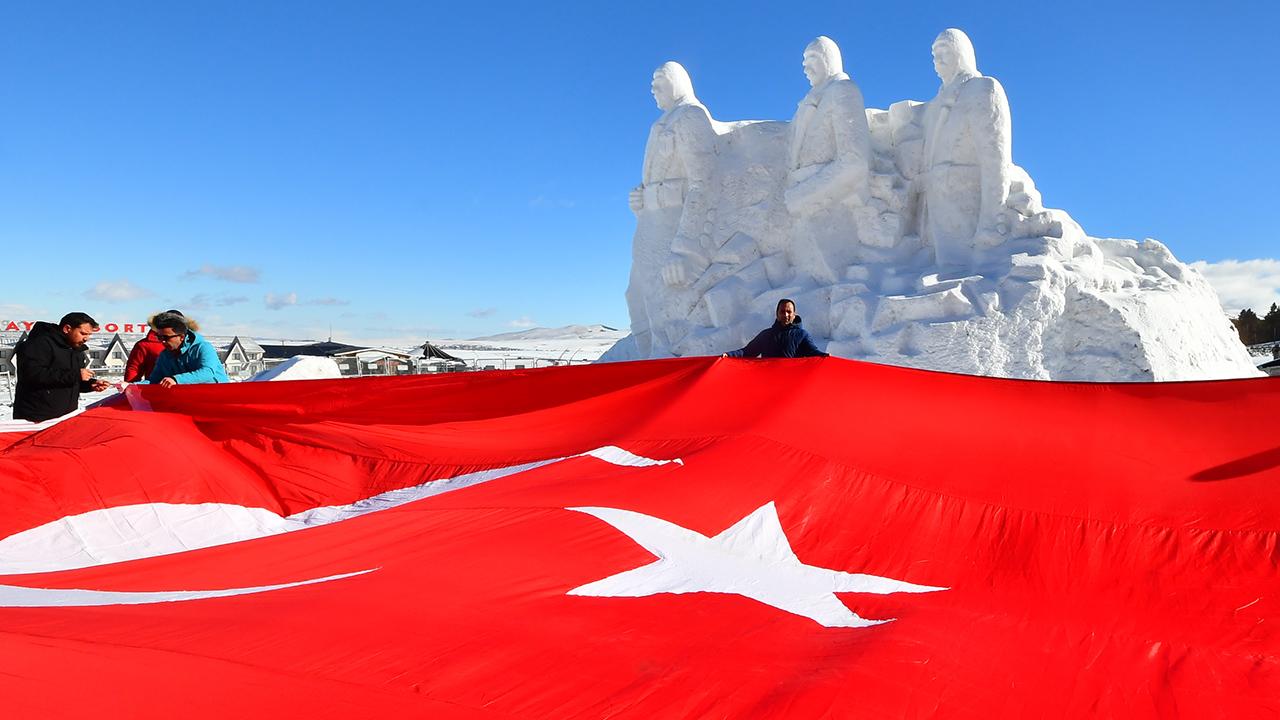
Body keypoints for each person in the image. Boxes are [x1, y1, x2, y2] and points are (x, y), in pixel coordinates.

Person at [785, 36, 873, 283]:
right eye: (803, 61)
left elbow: (855, 161)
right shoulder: (811, 101)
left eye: (811, 58)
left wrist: (804, 195)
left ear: (828, 59)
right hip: (806, 210)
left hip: (830, 208)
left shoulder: (842, 91)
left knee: (828, 286)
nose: (805, 66)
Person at [12, 312, 111, 422]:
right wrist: (76, 375)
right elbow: (32, 374)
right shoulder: (39, 343)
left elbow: (70, 380)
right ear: (67, 328)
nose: (86, 338)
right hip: (37, 417)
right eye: (83, 333)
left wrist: (91, 384)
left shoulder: (76, 349)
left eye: (89, 335)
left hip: (65, 416)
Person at [141, 311, 229, 386]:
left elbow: (207, 373)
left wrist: (176, 380)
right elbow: (154, 381)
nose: (162, 342)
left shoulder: (203, 348)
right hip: (188, 400)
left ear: (181, 337)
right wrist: (131, 386)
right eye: (159, 337)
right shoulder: (164, 356)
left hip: (217, 398)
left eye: (166, 337)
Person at [723, 299, 829, 358]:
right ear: (777, 314)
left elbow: (813, 353)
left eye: (789, 312)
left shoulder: (802, 335)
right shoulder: (766, 335)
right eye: (782, 312)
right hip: (769, 382)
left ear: (794, 315)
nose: (786, 315)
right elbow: (747, 352)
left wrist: (825, 356)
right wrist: (729, 355)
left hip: (792, 384)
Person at [124, 310, 189, 382]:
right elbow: (134, 369)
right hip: (156, 390)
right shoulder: (144, 345)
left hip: (186, 389)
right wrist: (130, 389)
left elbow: (201, 371)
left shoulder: (194, 344)